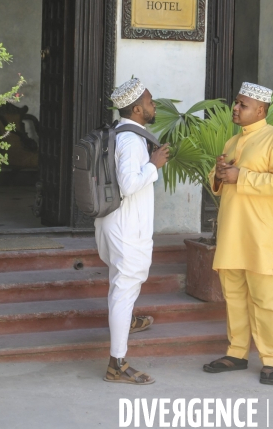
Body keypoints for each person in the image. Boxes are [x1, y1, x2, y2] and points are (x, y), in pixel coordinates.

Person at [203, 82, 273, 385]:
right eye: (236, 103)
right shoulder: (232, 142)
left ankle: (271, 360)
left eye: (242, 105)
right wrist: (218, 175)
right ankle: (237, 352)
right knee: (235, 296)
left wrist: (240, 175)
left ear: (260, 110)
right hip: (232, 232)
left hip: (261, 234)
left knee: (267, 299)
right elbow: (220, 181)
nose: (235, 108)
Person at [95, 78, 169, 385]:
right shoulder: (130, 141)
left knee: (121, 284)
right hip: (127, 228)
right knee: (125, 287)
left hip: (112, 223)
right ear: (137, 108)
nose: (154, 107)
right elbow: (128, 184)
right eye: (150, 102)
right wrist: (154, 165)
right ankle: (117, 364)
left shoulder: (118, 132)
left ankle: (124, 322)